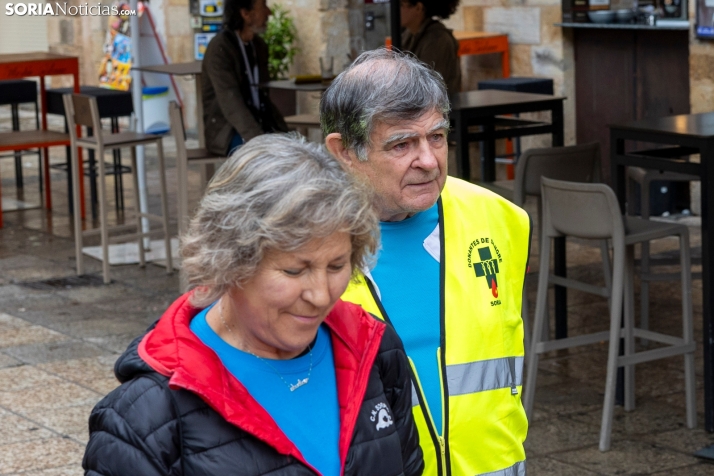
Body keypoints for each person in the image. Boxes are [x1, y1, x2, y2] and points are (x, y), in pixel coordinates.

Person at [82, 134, 424, 476]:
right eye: (294, 270)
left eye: (336, 266)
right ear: (230, 262)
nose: (320, 295)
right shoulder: (143, 419)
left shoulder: (373, 348)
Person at [321, 49, 531, 476]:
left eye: (436, 137)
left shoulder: (501, 220)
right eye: (402, 143)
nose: (429, 160)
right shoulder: (304, 244)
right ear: (344, 151)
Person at [201, 0, 288, 156]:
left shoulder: (259, 46)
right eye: (263, 7)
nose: (269, 13)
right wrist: (259, 142)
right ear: (245, 14)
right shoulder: (220, 48)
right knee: (268, 159)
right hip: (228, 131)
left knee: (299, 152)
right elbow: (232, 104)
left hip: (259, 123)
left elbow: (261, 95)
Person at [400, 0, 461, 94]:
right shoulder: (408, 35)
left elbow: (428, 87)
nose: (397, 10)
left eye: (401, 5)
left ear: (418, 8)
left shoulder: (438, 39)